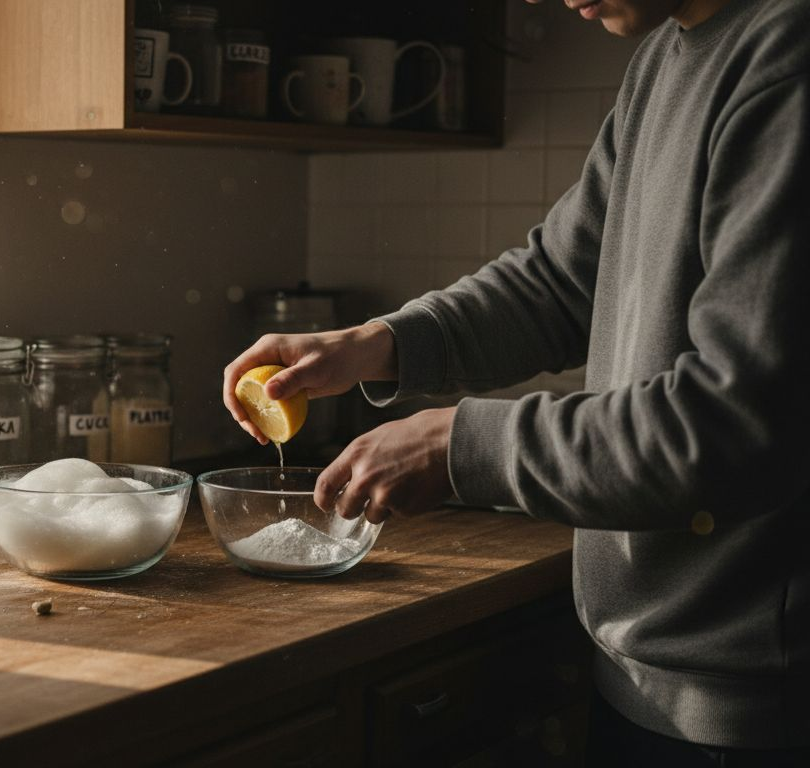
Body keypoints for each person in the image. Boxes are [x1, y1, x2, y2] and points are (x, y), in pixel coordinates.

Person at [223, 0, 809, 764]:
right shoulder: (664, 59)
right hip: (647, 675)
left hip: (756, 707)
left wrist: (459, 445)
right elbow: (561, 283)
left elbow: (733, 422)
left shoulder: (787, 58)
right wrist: (373, 345)